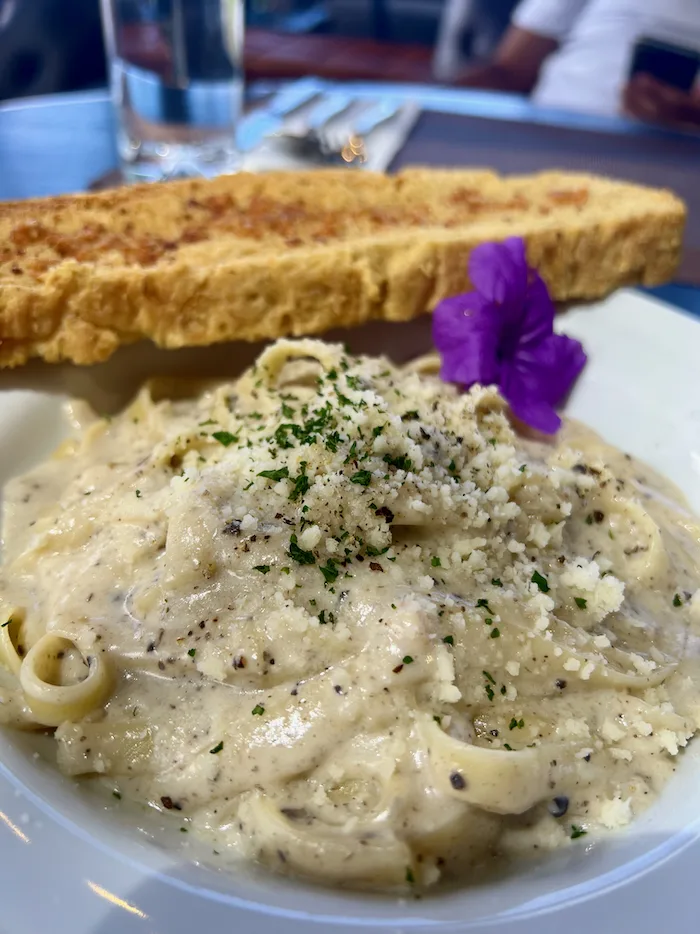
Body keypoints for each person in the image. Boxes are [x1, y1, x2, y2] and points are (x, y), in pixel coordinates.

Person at [455, 0, 700, 129]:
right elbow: (509, 71)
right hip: (540, 137)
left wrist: (688, 120)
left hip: (666, 162)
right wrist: (423, 95)